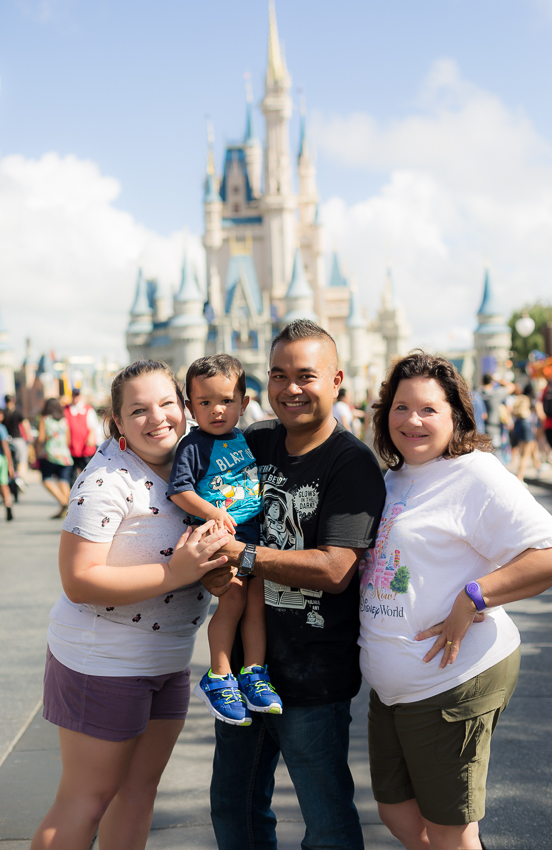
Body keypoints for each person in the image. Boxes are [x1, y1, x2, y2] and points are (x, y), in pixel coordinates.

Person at [359, 351, 552, 850]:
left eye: (428, 409)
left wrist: (473, 597)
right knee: (396, 815)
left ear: (456, 415)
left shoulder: (475, 474)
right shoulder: (392, 478)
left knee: (451, 831)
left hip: (452, 681)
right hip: (395, 688)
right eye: (400, 406)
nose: (412, 420)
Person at [31, 359, 230, 850]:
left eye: (167, 403)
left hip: (167, 657)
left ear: (185, 408)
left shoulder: (198, 466)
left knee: (138, 794)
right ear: (117, 421)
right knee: (87, 799)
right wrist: (175, 573)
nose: (156, 418)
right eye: (137, 410)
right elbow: (79, 580)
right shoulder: (106, 480)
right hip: (104, 658)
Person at [204, 319, 386, 850]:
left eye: (306, 375)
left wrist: (245, 555)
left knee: (326, 821)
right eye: (278, 376)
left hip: (314, 678)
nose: (290, 389)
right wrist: (217, 568)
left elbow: (335, 570)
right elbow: (208, 506)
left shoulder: (352, 463)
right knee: (233, 809)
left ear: (336, 381)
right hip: (245, 672)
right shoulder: (252, 442)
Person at [167, 355, 282, 725]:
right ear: (190, 407)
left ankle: (254, 673)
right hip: (221, 539)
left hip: (254, 538)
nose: (217, 410)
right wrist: (213, 513)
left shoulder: (245, 440)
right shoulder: (194, 445)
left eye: (226, 401)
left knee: (256, 604)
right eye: (205, 403)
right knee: (231, 601)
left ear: (243, 404)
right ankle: (219, 675)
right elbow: (179, 491)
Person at [36, 398, 74, 518]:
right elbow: (68, 439)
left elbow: (41, 438)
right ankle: (71, 509)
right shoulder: (64, 420)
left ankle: (63, 502)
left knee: (46, 479)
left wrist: (36, 444)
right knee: (63, 481)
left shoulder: (45, 419)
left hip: (50, 454)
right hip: (65, 455)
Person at [64, 388, 99, 478]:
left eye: (77, 395)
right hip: (72, 448)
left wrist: (91, 438)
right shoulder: (67, 409)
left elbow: (93, 426)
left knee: (88, 472)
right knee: (72, 475)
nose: (75, 397)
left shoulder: (87, 409)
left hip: (85, 448)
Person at [2, 394, 30, 489]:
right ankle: (20, 478)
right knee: (23, 458)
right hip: (17, 439)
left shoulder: (2, 413)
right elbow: (25, 425)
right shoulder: (17, 412)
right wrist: (28, 437)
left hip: (5, 440)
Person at [0, 407, 15, 521]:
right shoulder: (1, 428)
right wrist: (10, 465)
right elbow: (5, 447)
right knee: (4, 483)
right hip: (1, 459)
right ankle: (8, 504)